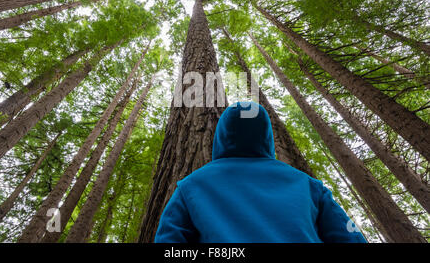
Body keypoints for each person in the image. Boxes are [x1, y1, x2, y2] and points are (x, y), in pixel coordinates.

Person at [154, 101, 367, 243]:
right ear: (266, 135)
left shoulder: (192, 185)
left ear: (221, 136)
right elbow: (351, 238)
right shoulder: (308, 184)